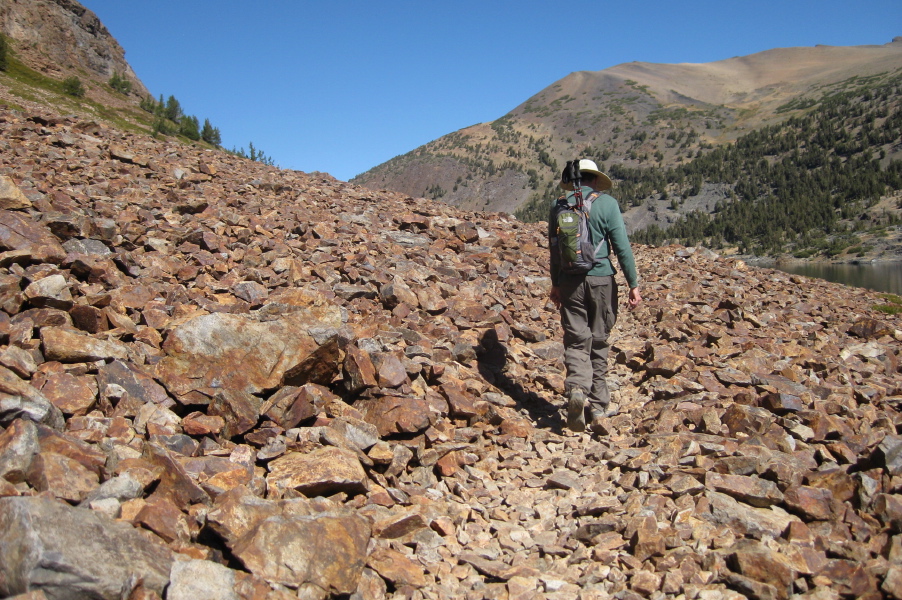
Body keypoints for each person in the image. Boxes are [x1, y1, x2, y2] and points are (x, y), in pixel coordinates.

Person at [548, 159, 642, 433]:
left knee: (577, 341)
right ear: (594, 179)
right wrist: (633, 283)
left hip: (569, 281)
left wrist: (556, 283)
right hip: (602, 279)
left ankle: (577, 388)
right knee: (599, 341)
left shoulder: (558, 205)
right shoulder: (607, 204)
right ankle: (599, 408)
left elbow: (555, 250)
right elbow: (622, 246)